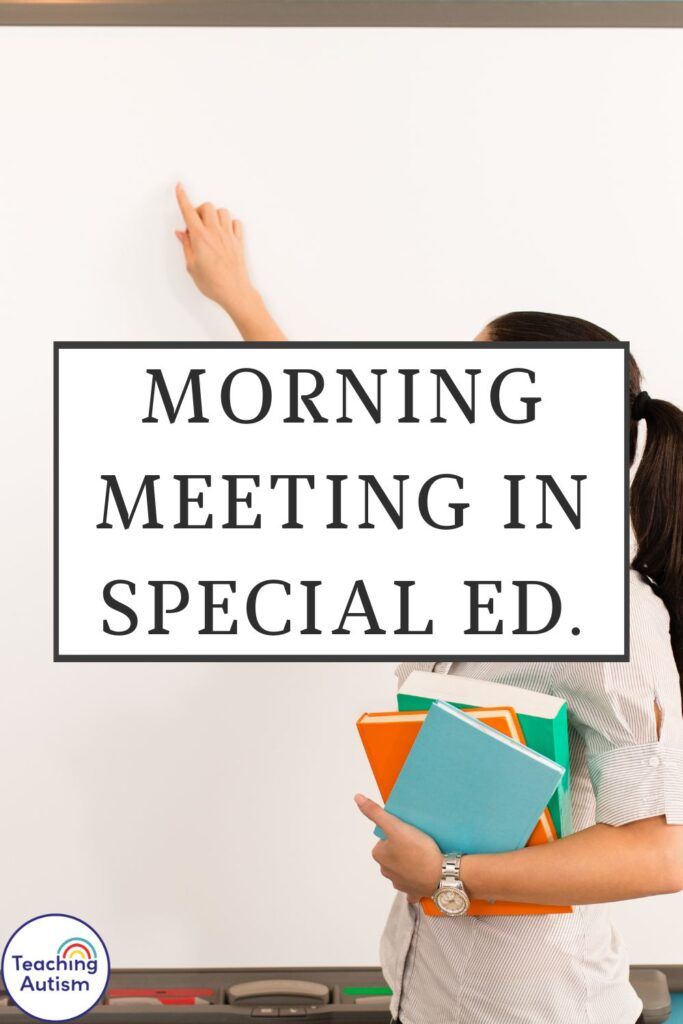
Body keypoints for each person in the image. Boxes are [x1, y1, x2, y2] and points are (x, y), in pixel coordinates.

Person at [175, 184, 683, 1024]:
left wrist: (449, 878)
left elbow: (662, 851)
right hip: (430, 995)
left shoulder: (614, 619)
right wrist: (240, 298)